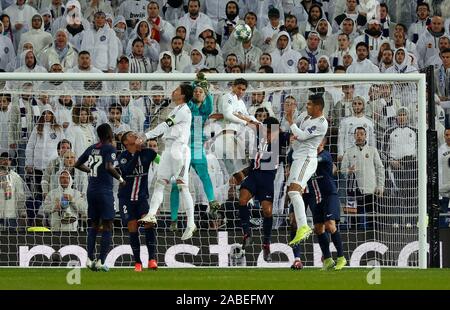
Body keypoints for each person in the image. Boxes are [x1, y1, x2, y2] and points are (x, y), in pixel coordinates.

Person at [139, 84, 197, 241]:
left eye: (177, 90)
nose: (173, 92)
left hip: (179, 150)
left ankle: (191, 223)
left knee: (182, 186)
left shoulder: (184, 110)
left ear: (183, 95)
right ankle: (151, 214)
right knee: (160, 183)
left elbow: (166, 125)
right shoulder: (175, 109)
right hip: (168, 149)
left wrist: (146, 135)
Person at [170, 74, 220, 224]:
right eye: (196, 91)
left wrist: (203, 82)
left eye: (201, 91)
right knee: (175, 182)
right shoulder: (187, 106)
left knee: (205, 175)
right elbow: (186, 93)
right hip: (182, 148)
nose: (198, 93)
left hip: (197, 147)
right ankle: (174, 219)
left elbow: (208, 97)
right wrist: (196, 83)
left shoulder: (206, 109)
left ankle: (212, 202)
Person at [75, 123, 125, 271]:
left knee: (94, 225)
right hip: (104, 192)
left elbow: (77, 164)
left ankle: (89, 259)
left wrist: (91, 171)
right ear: (110, 135)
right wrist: (121, 180)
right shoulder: (109, 148)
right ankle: (101, 261)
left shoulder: (92, 148)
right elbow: (109, 167)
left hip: (91, 191)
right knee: (108, 225)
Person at [239, 117, 289, 262]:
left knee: (267, 211)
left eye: (271, 131)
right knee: (242, 200)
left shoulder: (281, 138)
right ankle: (247, 234)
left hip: (267, 178)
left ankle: (266, 244)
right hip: (254, 174)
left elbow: (292, 135)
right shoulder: (258, 137)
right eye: (266, 130)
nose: (268, 134)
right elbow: (250, 122)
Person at [285, 94, 328, 246]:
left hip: (307, 160)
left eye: (309, 104)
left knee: (295, 191)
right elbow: (294, 130)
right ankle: (302, 227)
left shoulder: (321, 123)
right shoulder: (305, 116)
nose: (307, 106)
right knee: (292, 192)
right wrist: (290, 117)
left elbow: (302, 135)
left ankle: (303, 226)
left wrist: (290, 122)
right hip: (297, 158)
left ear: (318, 107)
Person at [118, 131, 160, 271]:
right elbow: (127, 171)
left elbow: (162, 160)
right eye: (131, 135)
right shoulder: (122, 157)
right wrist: (136, 152)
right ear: (125, 142)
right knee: (132, 225)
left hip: (142, 197)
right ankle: (137, 262)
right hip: (126, 198)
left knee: (148, 223)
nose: (135, 135)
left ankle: (152, 259)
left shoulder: (148, 152)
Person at [309, 138, 346, 270]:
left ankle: (341, 257)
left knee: (330, 225)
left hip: (329, 195)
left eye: (318, 141)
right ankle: (328, 260)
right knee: (318, 229)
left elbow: (316, 160)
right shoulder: (308, 156)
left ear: (322, 143)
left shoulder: (325, 155)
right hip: (316, 196)